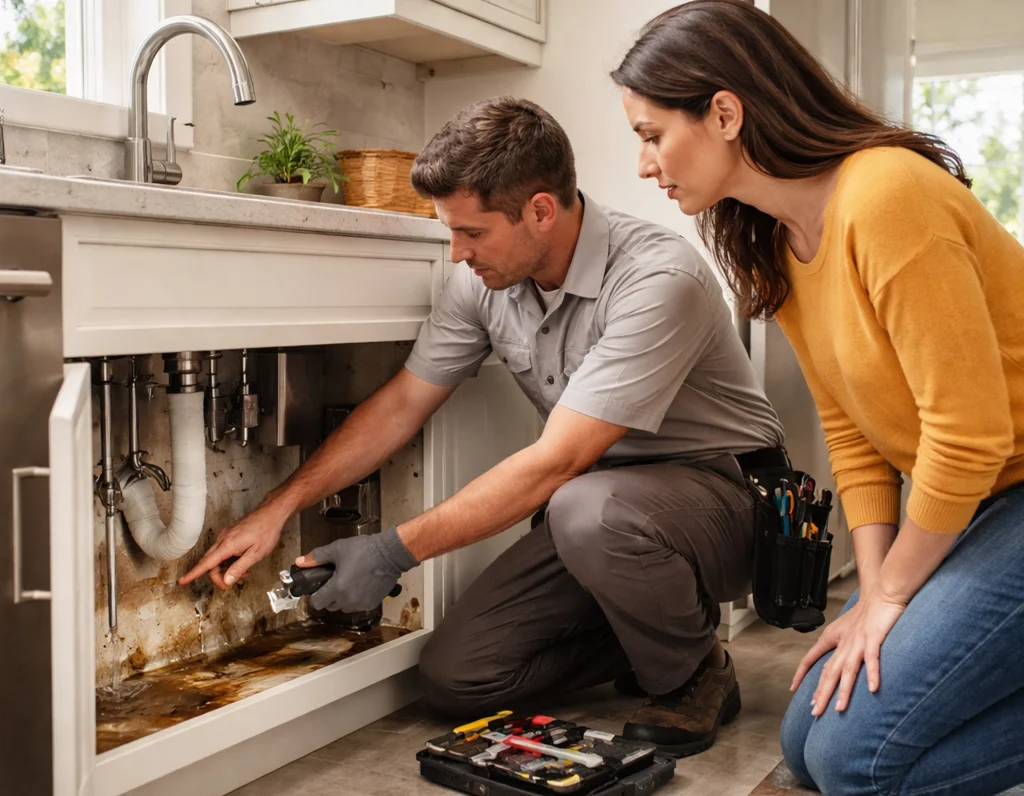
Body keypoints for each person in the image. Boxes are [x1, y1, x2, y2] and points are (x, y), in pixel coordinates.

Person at [180, 95, 785, 756]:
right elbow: (402, 404)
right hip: (599, 514)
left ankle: (695, 674)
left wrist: (390, 552)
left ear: (541, 211)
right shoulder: (486, 283)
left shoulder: (656, 279)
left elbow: (556, 463)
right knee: (458, 676)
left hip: (727, 504)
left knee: (582, 506)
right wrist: (279, 507)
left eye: (471, 232)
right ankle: (654, 627)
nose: (456, 253)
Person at [613, 0, 1024, 793]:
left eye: (651, 135)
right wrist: (871, 594)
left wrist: (892, 593)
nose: (644, 163)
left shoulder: (888, 195)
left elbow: (968, 437)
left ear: (724, 114)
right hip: (978, 503)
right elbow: (855, 433)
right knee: (806, 739)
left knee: (853, 762)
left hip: (1007, 490)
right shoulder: (780, 242)